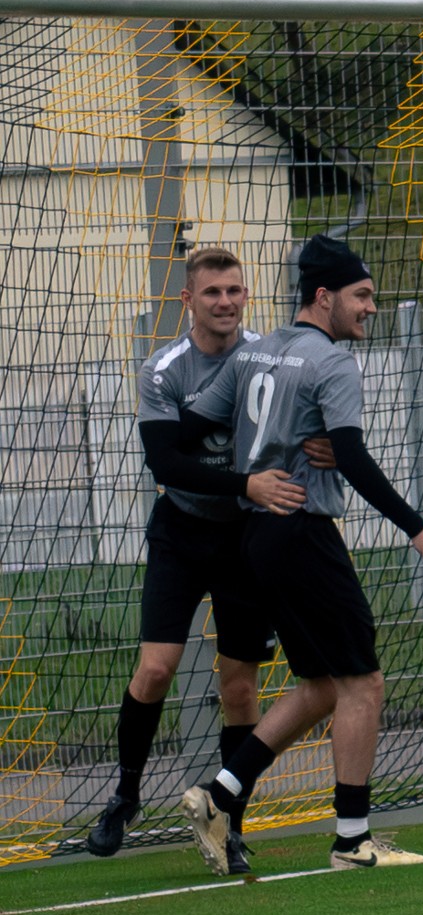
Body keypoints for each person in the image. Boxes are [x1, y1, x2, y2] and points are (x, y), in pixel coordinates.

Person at [178, 234, 423, 875]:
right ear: (324, 295)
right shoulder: (331, 362)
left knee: (321, 686)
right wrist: (418, 530)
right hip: (303, 533)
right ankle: (352, 840)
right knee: (364, 682)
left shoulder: (256, 353)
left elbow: (189, 431)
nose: (370, 308)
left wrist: (261, 456)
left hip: (257, 537)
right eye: (361, 296)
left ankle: (220, 794)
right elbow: (354, 458)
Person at [85, 245, 307, 875]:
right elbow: (166, 463)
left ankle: (228, 823)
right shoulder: (162, 369)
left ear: (246, 296)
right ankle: (126, 797)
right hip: (181, 533)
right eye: (212, 292)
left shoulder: (270, 358)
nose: (225, 302)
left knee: (239, 687)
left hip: (246, 540)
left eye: (234, 290)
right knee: (157, 669)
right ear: (188, 299)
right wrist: (245, 482)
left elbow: (294, 432)